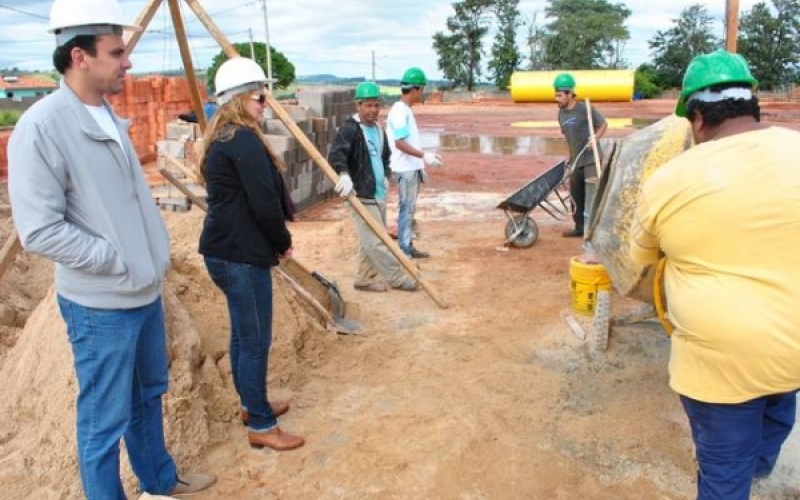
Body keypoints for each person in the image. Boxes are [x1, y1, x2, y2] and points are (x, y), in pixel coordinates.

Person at [7, 0, 216, 498]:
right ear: (80, 57)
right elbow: (38, 230)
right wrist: (114, 260)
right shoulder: (42, 128)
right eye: (117, 52)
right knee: (103, 419)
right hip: (101, 305)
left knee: (148, 396)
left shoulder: (105, 115)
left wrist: (149, 259)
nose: (128, 62)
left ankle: (159, 483)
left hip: (142, 293)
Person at [630, 49, 800, 500]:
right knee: (780, 401)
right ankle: (760, 465)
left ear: (698, 117)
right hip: (794, 347)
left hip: (720, 365)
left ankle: (740, 474)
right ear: (754, 106)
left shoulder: (669, 180)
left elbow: (639, 258)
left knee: (724, 469)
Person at [198, 56, 304, 452]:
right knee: (256, 339)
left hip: (225, 252)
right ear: (239, 98)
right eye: (260, 96)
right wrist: (281, 242)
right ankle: (261, 423)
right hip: (240, 255)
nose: (265, 103)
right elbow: (264, 204)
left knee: (245, 335)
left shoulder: (225, 137)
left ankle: (250, 405)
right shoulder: (241, 140)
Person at [328, 81, 419, 293]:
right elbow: (336, 155)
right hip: (360, 195)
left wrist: (386, 176)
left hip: (378, 192)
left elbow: (385, 156)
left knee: (368, 240)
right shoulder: (350, 130)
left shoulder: (378, 130)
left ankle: (363, 278)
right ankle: (397, 277)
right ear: (358, 106)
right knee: (377, 240)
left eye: (376, 105)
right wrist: (344, 175)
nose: (373, 110)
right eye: (367, 105)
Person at [385, 67, 442, 258]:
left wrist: (419, 166)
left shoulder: (404, 110)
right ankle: (404, 251)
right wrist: (423, 156)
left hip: (411, 168)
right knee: (406, 210)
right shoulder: (400, 111)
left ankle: (407, 245)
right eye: (422, 89)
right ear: (416, 89)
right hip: (405, 169)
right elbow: (400, 143)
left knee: (409, 209)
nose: (423, 92)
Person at [554, 72, 607, 238]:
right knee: (576, 196)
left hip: (591, 159)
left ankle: (593, 229)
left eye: (560, 95)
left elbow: (603, 124)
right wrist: (570, 159)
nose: (557, 98)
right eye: (556, 94)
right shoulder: (561, 113)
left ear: (570, 94)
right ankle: (579, 227)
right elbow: (567, 136)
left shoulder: (585, 108)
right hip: (576, 160)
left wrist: (595, 138)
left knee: (592, 195)